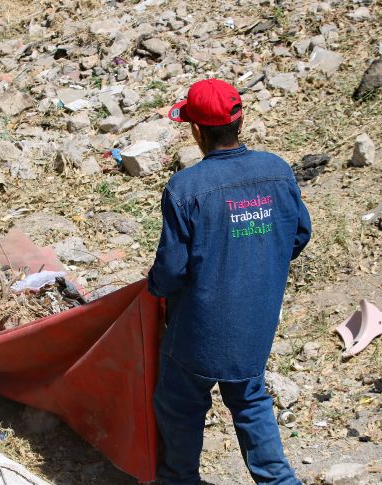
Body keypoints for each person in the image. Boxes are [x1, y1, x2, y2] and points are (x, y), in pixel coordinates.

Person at [147, 78, 312, 485]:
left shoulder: (185, 188)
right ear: (241, 121)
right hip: (256, 324)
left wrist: (152, 290)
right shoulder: (277, 171)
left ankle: (179, 480)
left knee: (179, 403)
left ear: (196, 130)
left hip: (198, 332)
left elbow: (171, 271)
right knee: (250, 400)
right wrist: (257, 263)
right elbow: (298, 235)